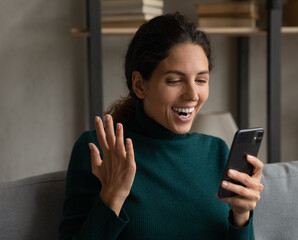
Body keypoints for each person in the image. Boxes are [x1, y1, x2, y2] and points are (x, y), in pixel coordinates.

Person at [59, 13, 264, 240]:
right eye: (175, 81)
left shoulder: (216, 152)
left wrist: (241, 215)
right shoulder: (100, 150)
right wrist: (112, 197)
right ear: (139, 85)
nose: (192, 95)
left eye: (201, 80)